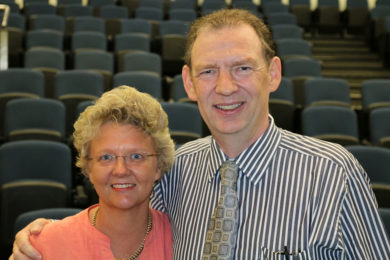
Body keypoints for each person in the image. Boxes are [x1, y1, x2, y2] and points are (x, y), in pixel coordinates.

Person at [10, 9, 390, 259]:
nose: (225, 87)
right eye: (209, 71)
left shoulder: (333, 174)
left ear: (273, 73)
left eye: (242, 67)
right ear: (189, 83)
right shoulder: (177, 171)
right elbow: (121, 213)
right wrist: (46, 235)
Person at [13, 86, 175, 259]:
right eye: (106, 157)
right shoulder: (42, 246)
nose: (120, 170)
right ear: (88, 168)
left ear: (158, 166)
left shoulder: (181, 239)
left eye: (136, 156)